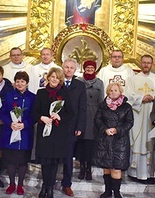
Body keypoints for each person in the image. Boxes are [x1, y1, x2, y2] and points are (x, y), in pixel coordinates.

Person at [31, 67, 74, 198]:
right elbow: (34, 112)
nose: (54, 79)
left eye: (57, 77)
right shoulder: (41, 93)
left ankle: (50, 188)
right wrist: (41, 118)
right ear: (48, 78)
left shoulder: (64, 93)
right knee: (45, 161)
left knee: (54, 162)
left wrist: (60, 117)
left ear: (60, 80)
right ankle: (44, 186)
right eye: (52, 77)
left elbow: (70, 113)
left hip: (58, 133)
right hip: (44, 132)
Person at [126, 54, 155, 183]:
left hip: (153, 115)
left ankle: (150, 173)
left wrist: (153, 97)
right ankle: (134, 172)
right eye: (144, 62)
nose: (146, 65)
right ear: (140, 63)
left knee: (150, 142)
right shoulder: (132, 79)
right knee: (137, 140)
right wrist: (141, 98)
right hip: (137, 114)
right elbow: (128, 96)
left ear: (152, 64)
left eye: (149, 63)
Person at [93, 82, 134, 198]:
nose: (113, 92)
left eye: (115, 90)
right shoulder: (102, 105)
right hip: (105, 139)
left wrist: (117, 130)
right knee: (106, 167)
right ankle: (107, 191)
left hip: (119, 141)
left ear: (120, 92)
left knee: (116, 168)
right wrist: (105, 129)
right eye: (111, 90)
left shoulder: (126, 107)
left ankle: (116, 192)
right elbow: (97, 120)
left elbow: (129, 122)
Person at [0, 71, 36, 196]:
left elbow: (34, 115)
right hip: (10, 132)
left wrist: (24, 124)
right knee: (10, 161)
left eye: (23, 81)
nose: (20, 84)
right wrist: (10, 123)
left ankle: (20, 185)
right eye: (18, 81)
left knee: (22, 161)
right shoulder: (9, 95)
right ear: (15, 83)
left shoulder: (32, 97)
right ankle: (11, 184)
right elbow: (2, 112)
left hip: (25, 134)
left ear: (27, 83)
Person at [61, 58, 87, 197]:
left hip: (71, 126)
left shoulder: (80, 85)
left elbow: (82, 108)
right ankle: (49, 182)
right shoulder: (56, 82)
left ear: (75, 70)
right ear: (62, 68)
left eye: (71, 67)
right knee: (53, 156)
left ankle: (66, 184)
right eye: (66, 67)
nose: (69, 69)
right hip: (56, 125)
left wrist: (80, 126)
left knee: (68, 156)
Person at [76, 60, 104, 181]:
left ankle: (89, 169)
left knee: (91, 143)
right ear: (84, 69)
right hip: (81, 114)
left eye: (91, 69)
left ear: (95, 70)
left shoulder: (99, 83)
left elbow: (101, 100)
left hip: (94, 115)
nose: (89, 70)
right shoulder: (78, 81)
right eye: (87, 69)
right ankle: (82, 167)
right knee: (81, 143)